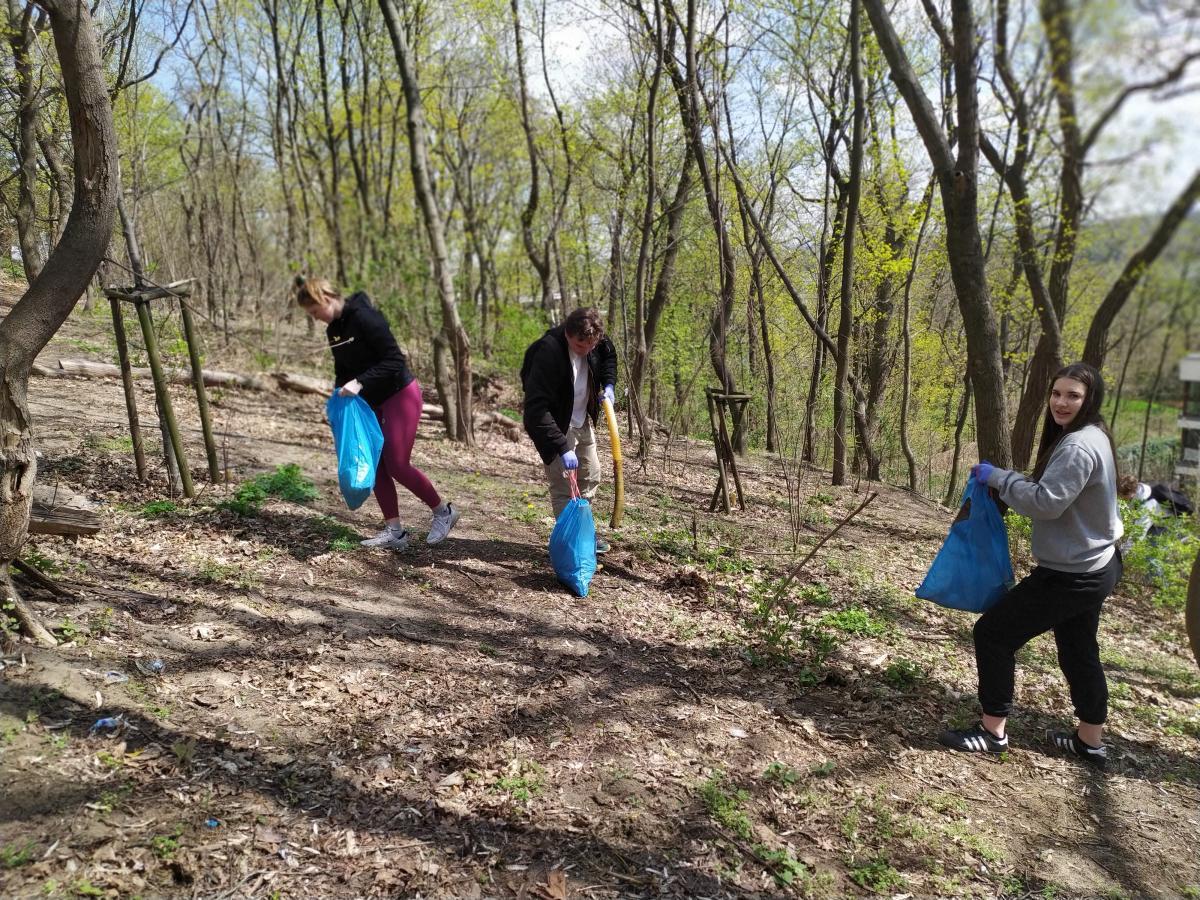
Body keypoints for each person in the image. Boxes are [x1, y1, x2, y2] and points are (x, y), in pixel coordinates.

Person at [939, 362, 1123, 767]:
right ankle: (1090, 742)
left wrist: (1000, 478)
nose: (1061, 402)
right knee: (1078, 648)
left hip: (1074, 573)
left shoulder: (1077, 446)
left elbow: (1045, 503)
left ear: (1089, 399)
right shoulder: (1094, 434)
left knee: (993, 634)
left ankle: (992, 733)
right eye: (1056, 393)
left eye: (1073, 395)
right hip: (1098, 563)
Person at [294, 275, 460, 549]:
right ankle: (395, 532)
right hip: (368, 402)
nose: (315, 318)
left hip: (399, 394)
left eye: (314, 311)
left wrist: (360, 382)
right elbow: (342, 372)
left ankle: (444, 511)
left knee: (397, 464)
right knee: (376, 464)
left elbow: (395, 360)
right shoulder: (333, 330)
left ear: (326, 297)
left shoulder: (365, 317)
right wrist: (337, 403)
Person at [520, 307, 617, 553]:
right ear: (567, 333)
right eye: (579, 345)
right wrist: (562, 447)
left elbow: (609, 357)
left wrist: (609, 385)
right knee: (564, 487)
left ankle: (583, 532)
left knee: (591, 475)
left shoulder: (596, 341)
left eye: (590, 346)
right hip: (556, 425)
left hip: (582, 420)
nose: (585, 350)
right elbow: (535, 410)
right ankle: (573, 544)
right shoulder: (547, 352)